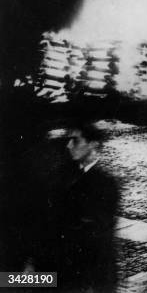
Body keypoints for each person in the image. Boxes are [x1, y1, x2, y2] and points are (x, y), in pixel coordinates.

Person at [46, 122, 119, 292]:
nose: (69, 145)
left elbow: (99, 236)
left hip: (90, 277)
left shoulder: (106, 184)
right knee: (9, 280)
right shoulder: (64, 176)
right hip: (63, 271)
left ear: (93, 145)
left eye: (75, 141)